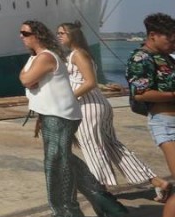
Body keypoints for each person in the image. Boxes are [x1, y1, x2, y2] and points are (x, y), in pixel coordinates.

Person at [19, 20, 128, 217]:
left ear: (37, 35)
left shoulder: (45, 57)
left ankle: (69, 210)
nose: (21, 36)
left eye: (25, 33)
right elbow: (29, 79)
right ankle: (102, 200)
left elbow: (25, 80)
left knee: (56, 161)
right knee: (62, 158)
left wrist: (27, 77)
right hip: (53, 114)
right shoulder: (36, 57)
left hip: (60, 116)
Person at [58, 21, 168, 199]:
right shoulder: (78, 54)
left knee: (92, 147)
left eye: (62, 33)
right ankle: (157, 182)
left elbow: (90, 82)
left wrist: (67, 99)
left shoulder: (78, 54)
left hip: (88, 107)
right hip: (95, 104)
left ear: (73, 35)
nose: (59, 36)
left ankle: (101, 189)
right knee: (113, 146)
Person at [126, 13, 175, 184]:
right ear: (153, 35)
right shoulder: (141, 58)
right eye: (171, 40)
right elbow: (140, 94)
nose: (174, 45)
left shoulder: (166, 57)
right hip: (166, 124)